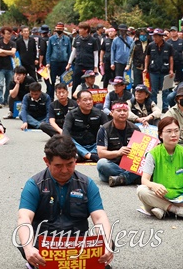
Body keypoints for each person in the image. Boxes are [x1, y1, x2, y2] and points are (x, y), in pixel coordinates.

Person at [16, 135, 114, 269]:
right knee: (25, 243)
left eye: (70, 164)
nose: (64, 170)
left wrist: (106, 243)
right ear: (46, 161)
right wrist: (28, 248)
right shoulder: (34, 184)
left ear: (75, 160)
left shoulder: (87, 184)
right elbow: (24, 218)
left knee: (108, 243)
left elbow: (100, 217)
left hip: (77, 243)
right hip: (45, 245)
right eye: (58, 165)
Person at [137, 116, 183, 218]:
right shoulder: (153, 153)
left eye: (176, 131)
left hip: (180, 197)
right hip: (159, 195)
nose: (173, 135)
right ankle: (174, 210)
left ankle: (162, 209)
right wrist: (154, 186)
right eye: (169, 131)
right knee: (142, 190)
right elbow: (144, 180)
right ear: (161, 135)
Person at [96, 101, 140, 187]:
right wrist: (118, 153)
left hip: (131, 165)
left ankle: (122, 179)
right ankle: (132, 177)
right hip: (113, 165)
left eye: (125, 110)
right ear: (112, 113)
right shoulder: (104, 129)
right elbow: (101, 153)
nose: (122, 113)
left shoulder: (135, 128)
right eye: (119, 110)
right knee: (102, 163)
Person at [63, 90, 107, 162]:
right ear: (78, 102)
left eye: (90, 99)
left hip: (95, 146)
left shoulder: (100, 113)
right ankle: (89, 155)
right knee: (67, 139)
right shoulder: (71, 114)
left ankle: (85, 156)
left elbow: (108, 130)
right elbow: (65, 133)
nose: (89, 102)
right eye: (85, 100)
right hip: (77, 146)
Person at [144, 27, 174, 112]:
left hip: (166, 71)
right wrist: (146, 68)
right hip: (153, 71)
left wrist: (171, 70)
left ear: (161, 37)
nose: (155, 38)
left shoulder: (169, 46)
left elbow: (171, 58)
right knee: (153, 91)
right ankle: (154, 106)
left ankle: (165, 107)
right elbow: (147, 57)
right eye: (154, 36)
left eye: (157, 36)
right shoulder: (150, 45)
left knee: (166, 90)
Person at [65, 22, 99, 94]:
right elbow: (73, 52)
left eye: (81, 29)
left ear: (86, 30)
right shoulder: (77, 39)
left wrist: (96, 67)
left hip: (89, 65)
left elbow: (96, 54)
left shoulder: (93, 40)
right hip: (78, 64)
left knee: (88, 84)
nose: (79, 30)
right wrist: (69, 63)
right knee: (75, 83)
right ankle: (74, 101)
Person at [45, 22, 71, 100]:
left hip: (64, 62)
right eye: (58, 29)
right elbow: (48, 52)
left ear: (63, 29)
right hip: (54, 62)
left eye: (60, 29)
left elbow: (69, 52)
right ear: (55, 29)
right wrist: (48, 63)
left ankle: (63, 97)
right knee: (51, 82)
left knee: (64, 81)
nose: (59, 30)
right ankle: (51, 98)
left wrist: (69, 63)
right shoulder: (51, 39)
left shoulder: (67, 39)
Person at [0, 26, 16, 109]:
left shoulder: (13, 43)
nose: (9, 35)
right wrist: (9, 52)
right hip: (0, 67)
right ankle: (0, 101)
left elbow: (13, 52)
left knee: (9, 85)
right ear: (3, 34)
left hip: (10, 67)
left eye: (10, 34)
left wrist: (3, 51)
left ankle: (6, 100)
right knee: (0, 84)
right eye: (7, 34)